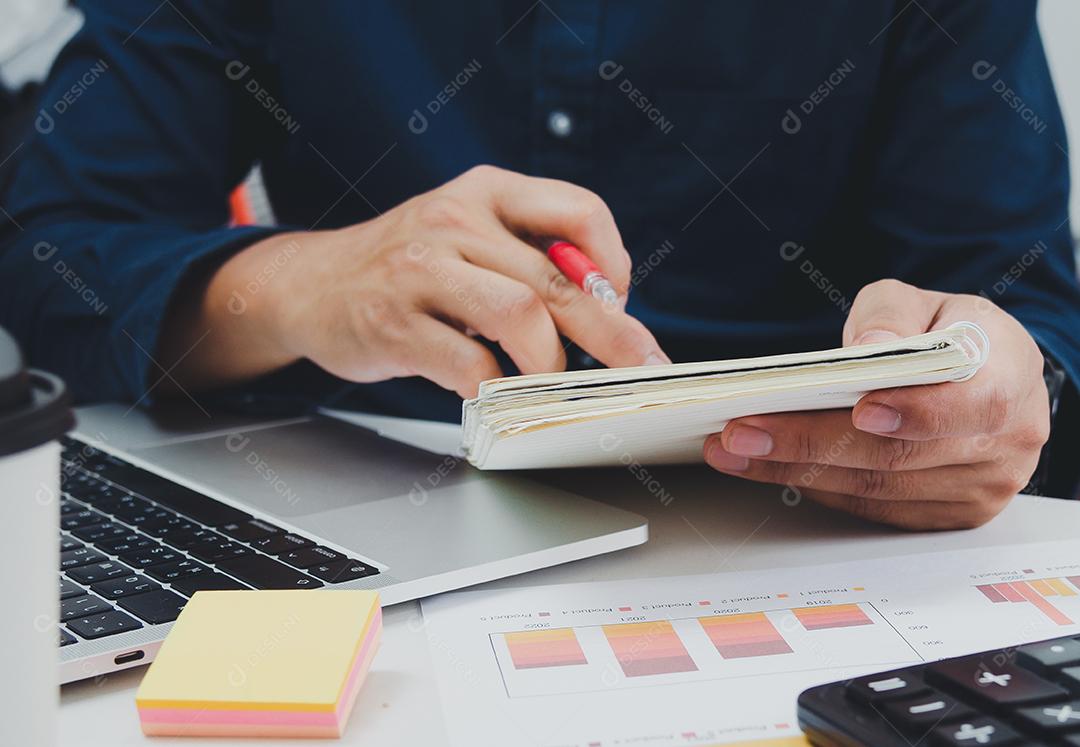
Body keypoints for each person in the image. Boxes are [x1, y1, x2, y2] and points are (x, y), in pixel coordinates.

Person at [1, 1, 1077, 528]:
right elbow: (56, 255)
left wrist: (997, 389)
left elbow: (1020, 304)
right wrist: (299, 285)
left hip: (816, 534)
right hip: (370, 505)